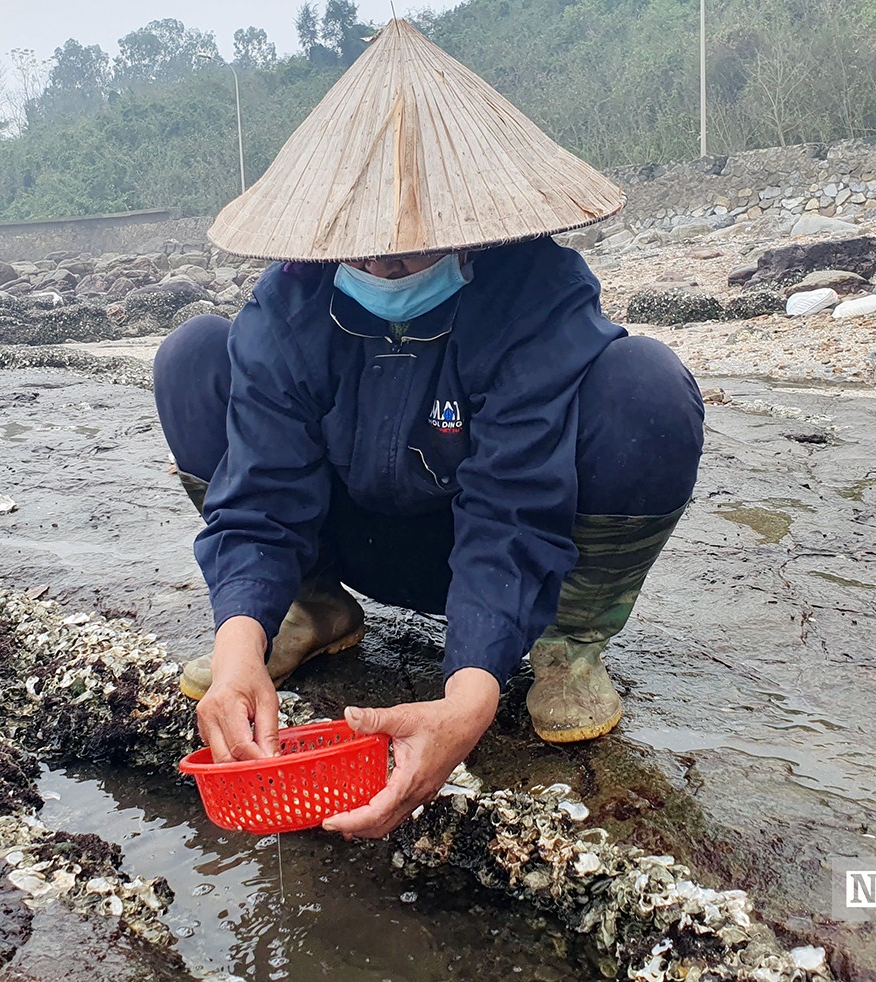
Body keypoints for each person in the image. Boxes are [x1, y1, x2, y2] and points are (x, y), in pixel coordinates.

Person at [153, 20, 705, 840]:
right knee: (194, 354)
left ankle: (567, 641)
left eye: (411, 255)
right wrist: (236, 649)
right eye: (361, 253)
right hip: (353, 532)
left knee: (646, 387)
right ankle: (307, 611)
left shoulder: (535, 292)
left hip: (496, 553)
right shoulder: (293, 302)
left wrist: (468, 696)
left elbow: (513, 507)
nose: (383, 269)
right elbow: (261, 491)